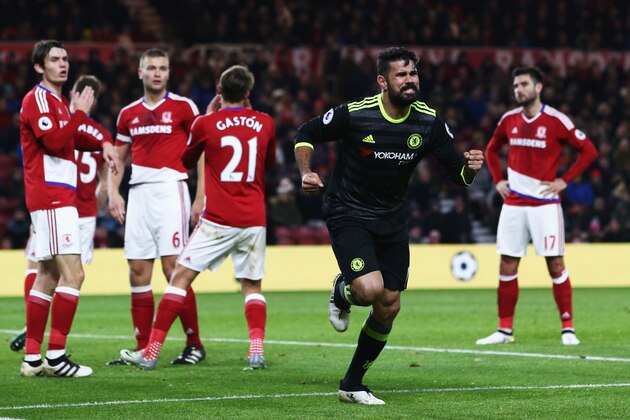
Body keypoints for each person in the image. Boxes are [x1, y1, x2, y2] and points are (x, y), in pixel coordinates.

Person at [294, 47, 484, 405]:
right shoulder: (357, 113)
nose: (410, 80)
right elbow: (306, 132)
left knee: (389, 304)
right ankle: (343, 291)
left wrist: (470, 169)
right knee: (368, 290)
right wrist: (306, 172)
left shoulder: (428, 121)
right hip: (348, 210)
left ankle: (352, 383)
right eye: (402, 74)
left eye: (413, 74)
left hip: (391, 219)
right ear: (382, 81)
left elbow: (457, 174)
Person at [119, 64, 276, 370]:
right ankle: (256, 350)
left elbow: (187, 160)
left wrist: (206, 118)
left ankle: (150, 353)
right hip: (254, 218)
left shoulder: (207, 124)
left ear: (219, 92)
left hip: (218, 218)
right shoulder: (266, 122)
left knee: (179, 278)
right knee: (251, 286)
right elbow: (267, 163)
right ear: (247, 93)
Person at [477, 66, 598, 346]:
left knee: (555, 264)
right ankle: (504, 330)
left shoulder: (556, 120)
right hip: (514, 203)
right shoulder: (509, 119)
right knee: (507, 263)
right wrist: (498, 180)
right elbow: (491, 149)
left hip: (545, 204)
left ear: (538, 87)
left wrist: (564, 180)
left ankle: (568, 327)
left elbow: (589, 150)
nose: (518, 89)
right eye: (515, 85)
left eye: (523, 84)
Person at [19, 40, 118, 377]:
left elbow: (72, 138)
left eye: (64, 59)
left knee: (47, 277)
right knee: (74, 274)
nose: (63, 65)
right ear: (38, 66)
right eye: (54, 60)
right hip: (51, 195)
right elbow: (56, 143)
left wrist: (101, 143)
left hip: (57, 195)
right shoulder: (37, 100)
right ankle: (57, 356)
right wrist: (79, 114)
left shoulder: (59, 102)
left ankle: (33, 359)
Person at [108, 48, 205, 366]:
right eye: (151, 68)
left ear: (168, 72)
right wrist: (113, 192)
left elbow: (202, 152)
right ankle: (142, 346)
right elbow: (118, 159)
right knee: (137, 270)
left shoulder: (183, 107)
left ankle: (194, 344)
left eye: (162, 67)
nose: (157, 73)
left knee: (172, 268)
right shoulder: (128, 114)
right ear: (140, 73)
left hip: (170, 190)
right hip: (138, 193)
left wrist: (201, 195)